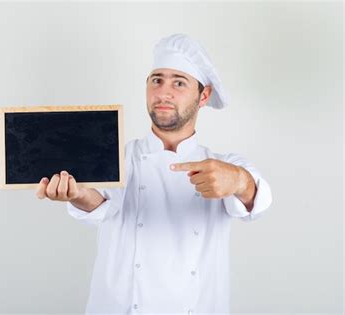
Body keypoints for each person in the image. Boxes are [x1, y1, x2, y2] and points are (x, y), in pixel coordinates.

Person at [35, 33, 272, 314]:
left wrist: (238, 180)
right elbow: (99, 205)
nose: (164, 92)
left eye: (179, 82)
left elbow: (257, 198)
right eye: (157, 80)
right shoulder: (117, 157)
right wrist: (77, 195)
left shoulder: (222, 163)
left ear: (204, 95)